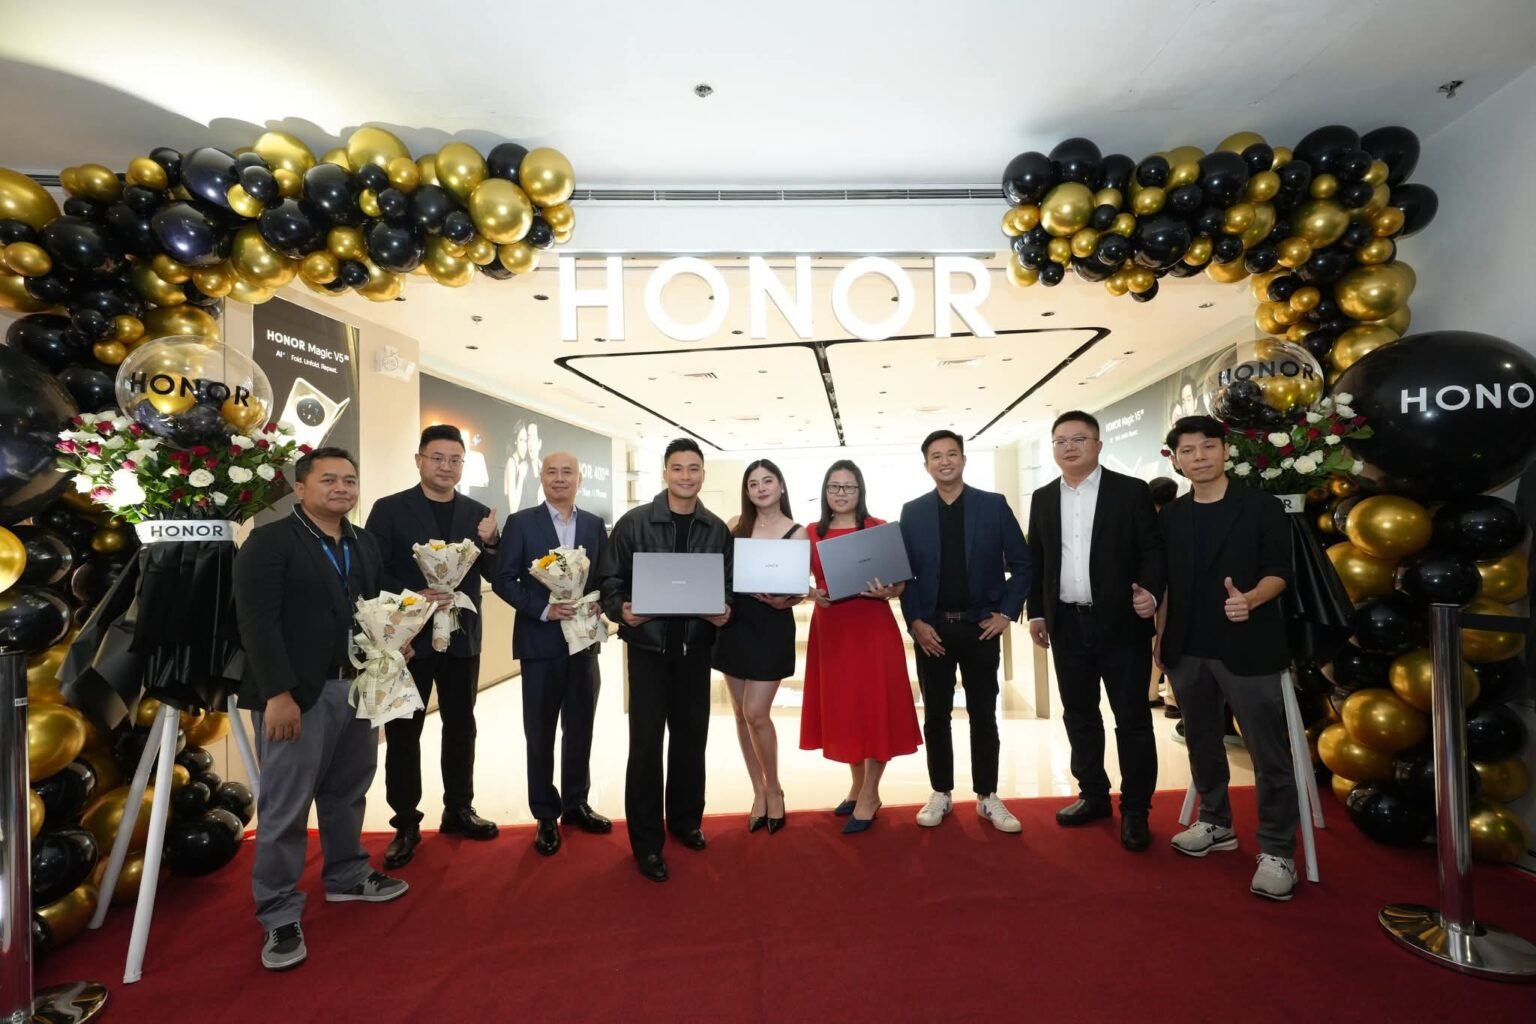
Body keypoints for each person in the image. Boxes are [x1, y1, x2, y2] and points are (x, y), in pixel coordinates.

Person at [234, 447, 408, 971]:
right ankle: (279, 911)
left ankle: (347, 874)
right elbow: (256, 624)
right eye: (328, 479)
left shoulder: (363, 542)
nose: (341, 488)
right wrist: (278, 695)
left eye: (349, 480)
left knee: (348, 790)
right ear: (301, 487)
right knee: (286, 806)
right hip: (298, 695)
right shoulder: (270, 542)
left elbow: (373, 609)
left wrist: (397, 636)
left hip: (357, 687)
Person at [1158, 415, 1299, 901]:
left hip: (1248, 645)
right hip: (1187, 647)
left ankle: (1278, 849)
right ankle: (1216, 822)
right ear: (1176, 460)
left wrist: (1252, 599)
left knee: (1267, 752)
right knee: (1200, 741)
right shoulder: (1172, 516)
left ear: (1225, 451)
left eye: (1207, 447)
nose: (1198, 457)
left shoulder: (1260, 507)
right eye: (1188, 450)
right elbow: (1165, 583)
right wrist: (1157, 631)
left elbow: (1280, 571)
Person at [1025, 412, 1166, 852]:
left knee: (1132, 719)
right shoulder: (1043, 498)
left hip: (1122, 623)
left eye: (1079, 439)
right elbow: (1038, 559)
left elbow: (1152, 551)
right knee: (1080, 715)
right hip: (1067, 625)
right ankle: (1093, 795)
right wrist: (1037, 613)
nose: (1069, 447)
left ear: (1098, 445)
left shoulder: (1130, 491)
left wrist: (1151, 593)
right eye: (1060, 441)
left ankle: (1137, 809)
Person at [596, 438, 733, 882]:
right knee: (646, 746)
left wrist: (726, 608)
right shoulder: (634, 523)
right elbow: (609, 581)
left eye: (693, 468)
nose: (686, 476)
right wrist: (622, 610)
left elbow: (728, 584)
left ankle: (686, 821)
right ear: (664, 473)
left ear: (703, 474)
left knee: (692, 741)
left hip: (696, 652)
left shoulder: (716, 530)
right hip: (648, 653)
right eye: (678, 468)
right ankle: (646, 843)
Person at [365, 425, 501, 870]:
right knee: (405, 730)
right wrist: (414, 595)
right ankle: (405, 821)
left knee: (462, 725)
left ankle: (459, 808)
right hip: (409, 638)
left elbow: (495, 574)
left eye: (455, 460)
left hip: (461, 636)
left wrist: (492, 543)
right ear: (419, 459)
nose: (446, 466)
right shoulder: (389, 509)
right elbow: (372, 570)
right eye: (437, 458)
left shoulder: (478, 513)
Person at [899, 430, 1031, 833]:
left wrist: (1006, 613)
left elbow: (1023, 563)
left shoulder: (993, 505)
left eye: (952, 454)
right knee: (936, 715)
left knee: (983, 714)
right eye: (936, 456)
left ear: (963, 459)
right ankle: (941, 791)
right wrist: (915, 622)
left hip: (980, 629)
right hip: (932, 630)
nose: (945, 461)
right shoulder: (913, 512)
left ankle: (987, 795)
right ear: (926, 465)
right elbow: (905, 574)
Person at [493, 452, 612, 856]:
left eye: (567, 472)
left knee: (580, 728)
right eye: (552, 472)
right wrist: (544, 609)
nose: (559, 479)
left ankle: (577, 804)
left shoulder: (593, 525)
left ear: (580, 479)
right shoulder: (521, 523)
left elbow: (605, 577)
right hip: (539, 643)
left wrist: (601, 601)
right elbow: (504, 579)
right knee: (540, 732)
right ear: (541, 477)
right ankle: (545, 813)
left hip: (584, 645)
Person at [802, 460, 920, 833]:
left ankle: (870, 793)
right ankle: (856, 787)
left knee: (874, 708)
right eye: (834, 487)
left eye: (849, 487)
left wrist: (890, 590)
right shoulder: (811, 533)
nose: (841, 493)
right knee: (847, 711)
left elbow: (900, 583)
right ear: (825, 491)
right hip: (832, 631)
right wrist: (813, 594)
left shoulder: (878, 528)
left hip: (872, 630)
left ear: (860, 491)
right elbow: (796, 580)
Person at [713, 459, 805, 833]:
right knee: (740, 713)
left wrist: (787, 600)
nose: (761, 488)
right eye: (753, 483)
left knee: (756, 712)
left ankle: (775, 788)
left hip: (771, 627)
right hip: (735, 626)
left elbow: (799, 588)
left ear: (781, 486)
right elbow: (721, 573)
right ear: (747, 491)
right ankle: (758, 791)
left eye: (768, 481)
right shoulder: (736, 526)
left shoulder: (796, 532)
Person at [1147, 476, 1180, 719]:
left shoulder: (1144, 519)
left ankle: (1149, 693)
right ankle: (1172, 699)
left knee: (1152, 641)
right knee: (1169, 640)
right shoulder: (1175, 519)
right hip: (1173, 587)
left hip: (1149, 589)